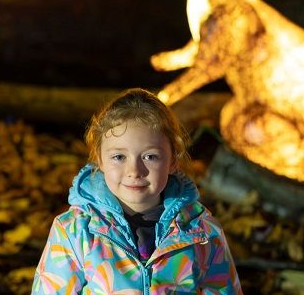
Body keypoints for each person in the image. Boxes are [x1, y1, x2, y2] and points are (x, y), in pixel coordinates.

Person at [32, 88, 242, 294]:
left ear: (173, 161)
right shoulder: (75, 231)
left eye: (150, 157)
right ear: (100, 159)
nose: (134, 171)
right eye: (119, 157)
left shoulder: (201, 232)